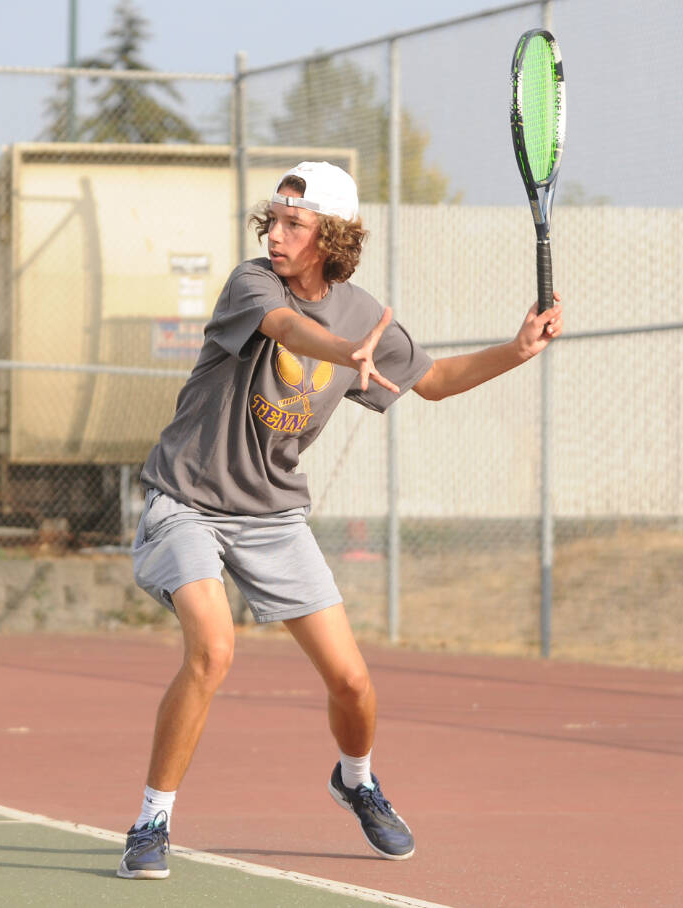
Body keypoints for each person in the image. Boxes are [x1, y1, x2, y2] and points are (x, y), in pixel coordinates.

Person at [117, 161, 564, 880]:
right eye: (275, 217)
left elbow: (437, 382)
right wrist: (341, 352)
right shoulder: (252, 283)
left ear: (333, 236)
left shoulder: (365, 314)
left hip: (272, 516)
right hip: (187, 501)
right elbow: (289, 329)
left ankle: (355, 781)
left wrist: (518, 350)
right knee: (214, 649)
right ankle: (151, 821)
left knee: (354, 685)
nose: (277, 233)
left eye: (296, 223)